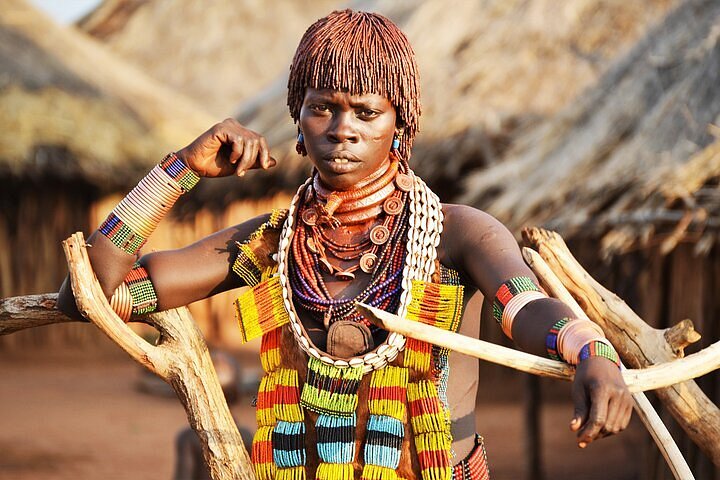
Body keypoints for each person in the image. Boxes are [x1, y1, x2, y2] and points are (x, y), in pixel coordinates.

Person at [58, 9, 632, 480]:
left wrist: (592, 351)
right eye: (322, 107)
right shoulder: (273, 245)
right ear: (298, 119)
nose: (342, 128)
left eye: (367, 112)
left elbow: (526, 308)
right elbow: (91, 294)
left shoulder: (458, 233)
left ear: (400, 126)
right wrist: (178, 169)